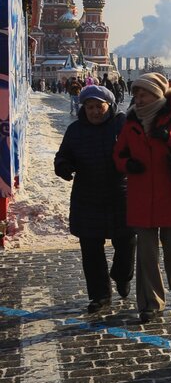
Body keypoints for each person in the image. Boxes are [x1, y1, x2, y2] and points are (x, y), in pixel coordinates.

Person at [113, 72, 171, 324]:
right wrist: (126, 164)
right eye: (136, 93)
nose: (138, 98)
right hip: (141, 198)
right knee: (146, 254)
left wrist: (170, 137)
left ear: (156, 93)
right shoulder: (131, 121)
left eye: (143, 93)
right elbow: (118, 153)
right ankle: (150, 304)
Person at [54, 84, 136, 313]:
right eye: (89, 107)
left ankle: (123, 275)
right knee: (91, 249)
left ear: (108, 106)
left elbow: (138, 149)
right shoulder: (75, 130)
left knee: (127, 241)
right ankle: (99, 296)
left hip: (120, 194)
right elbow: (63, 155)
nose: (94, 111)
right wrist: (63, 166)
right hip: (87, 197)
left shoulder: (122, 125)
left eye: (98, 106)